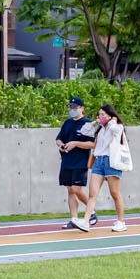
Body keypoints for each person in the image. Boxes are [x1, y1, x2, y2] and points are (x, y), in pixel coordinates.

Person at [71, 104, 128, 233]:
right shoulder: (100, 129)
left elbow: (117, 132)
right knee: (92, 193)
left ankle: (121, 221)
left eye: (103, 115)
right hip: (98, 160)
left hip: (111, 161)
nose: (100, 117)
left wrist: (112, 121)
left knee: (114, 193)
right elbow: (84, 131)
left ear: (110, 115)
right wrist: (96, 122)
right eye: (99, 114)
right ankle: (86, 221)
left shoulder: (117, 126)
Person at [55, 97, 97, 229]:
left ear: (82, 108)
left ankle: (92, 211)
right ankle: (74, 218)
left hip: (80, 161)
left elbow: (92, 144)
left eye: (75, 107)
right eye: (71, 107)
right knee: (70, 190)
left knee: (76, 188)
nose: (72, 110)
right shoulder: (67, 123)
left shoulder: (88, 124)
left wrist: (76, 144)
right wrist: (61, 145)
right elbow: (58, 139)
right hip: (67, 160)